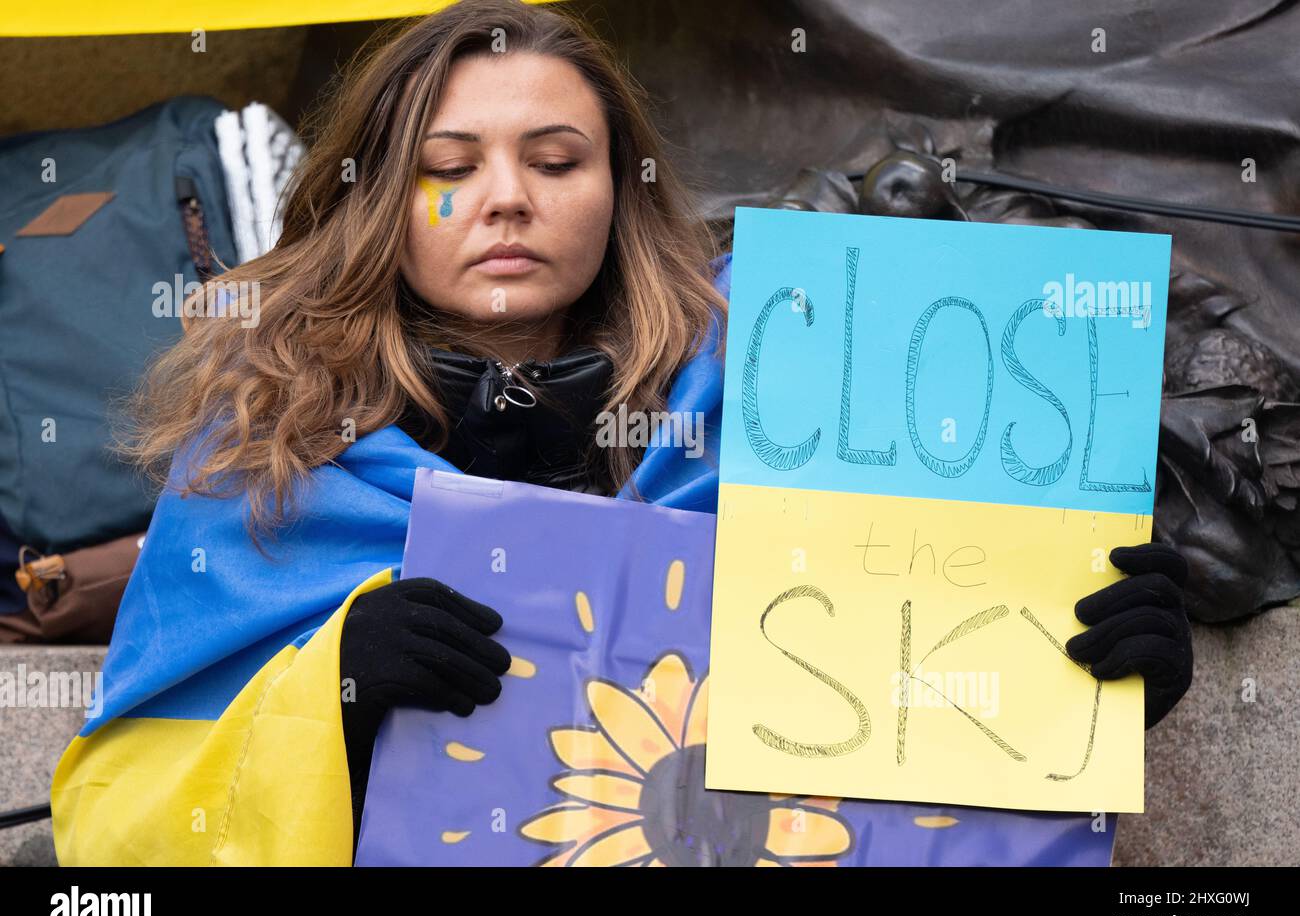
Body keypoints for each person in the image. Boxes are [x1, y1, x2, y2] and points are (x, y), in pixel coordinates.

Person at [50, 0, 1192, 866]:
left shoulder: (790, 405)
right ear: (379, 201)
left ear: (618, 189)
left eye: (554, 161)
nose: (505, 197)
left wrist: (1085, 669)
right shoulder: (261, 455)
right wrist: (330, 699)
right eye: (448, 169)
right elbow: (114, 825)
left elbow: (924, 697)